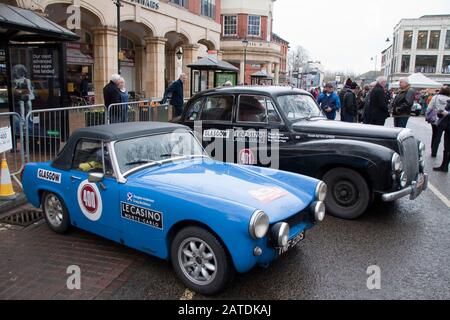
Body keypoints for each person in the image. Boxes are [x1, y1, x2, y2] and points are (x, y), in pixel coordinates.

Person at [427, 86, 450, 158]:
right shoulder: (449, 99)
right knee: (447, 137)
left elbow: (429, 108)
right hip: (447, 119)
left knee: (435, 135)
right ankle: (446, 153)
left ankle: (433, 151)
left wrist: (427, 115)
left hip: (436, 118)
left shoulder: (435, 97)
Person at [433, 99, 450, 173]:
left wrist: (448, 114)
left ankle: (444, 166)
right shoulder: (448, 101)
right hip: (447, 125)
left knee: (448, 147)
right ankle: (444, 166)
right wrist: (440, 112)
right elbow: (442, 113)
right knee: (447, 147)